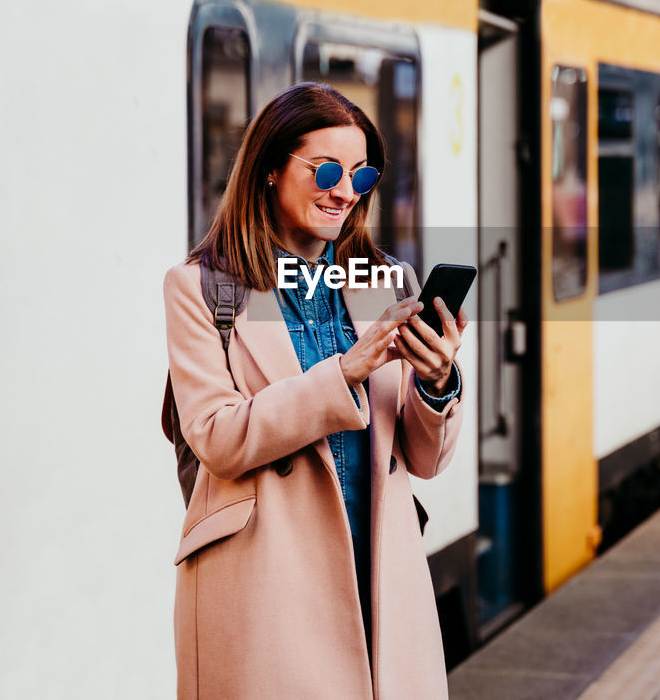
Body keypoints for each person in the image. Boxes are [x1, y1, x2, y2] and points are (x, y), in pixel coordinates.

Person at [163, 82, 466, 699]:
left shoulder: (385, 280)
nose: (345, 191)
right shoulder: (199, 289)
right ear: (270, 168)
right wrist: (343, 374)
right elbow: (218, 437)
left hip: (377, 570)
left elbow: (425, 459)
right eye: (326, 169)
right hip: (267, 584)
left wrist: (437, 384)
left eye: (362, 173)